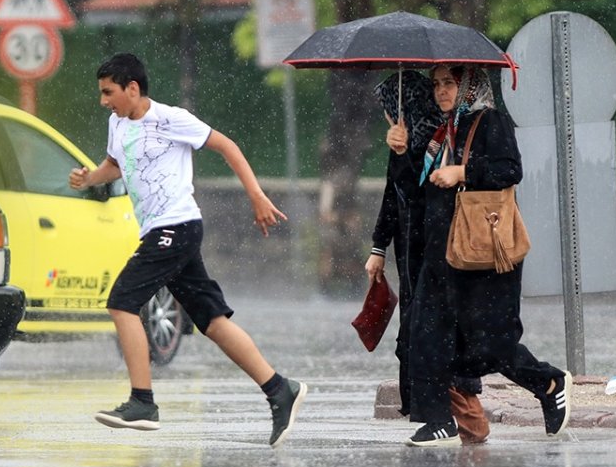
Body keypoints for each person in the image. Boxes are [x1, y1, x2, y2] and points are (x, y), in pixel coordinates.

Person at [69, 52, 307, 447]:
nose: (103, 101)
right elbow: (116, 164)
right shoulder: (117, 123)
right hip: (162, 231)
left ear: (132, 88)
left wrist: (256, 195)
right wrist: (91, 177)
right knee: (212, 321)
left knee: (122, 302)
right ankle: (280, 389)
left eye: (108, 92)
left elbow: (227, 146)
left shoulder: (171, 119)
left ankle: (142, 402)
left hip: (176, 226)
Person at [403, 63, 571, 447]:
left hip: (483, 255)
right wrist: (401, 151)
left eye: (449, 83)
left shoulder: (489, 121)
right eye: (436, 84)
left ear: (468, 85)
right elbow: (417, 187)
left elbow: (509, 170)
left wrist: (463, 172)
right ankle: (439, 421)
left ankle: (547, 382)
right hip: (441, 253)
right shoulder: (440, 131)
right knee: (425, 337)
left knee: (490, 345)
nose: (441, 91)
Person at [363, 70, 491, 445]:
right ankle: (434, 415)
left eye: (391, 108)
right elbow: (394, 194)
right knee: (417, 332)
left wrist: (409, 155)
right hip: (412, 252)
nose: (388, 116)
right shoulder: (413, 140)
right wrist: (378, 247)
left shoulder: (443, 138)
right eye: (436, 85)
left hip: (441, 248)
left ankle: (460, 413)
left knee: (437, 333)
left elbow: (422, 196)